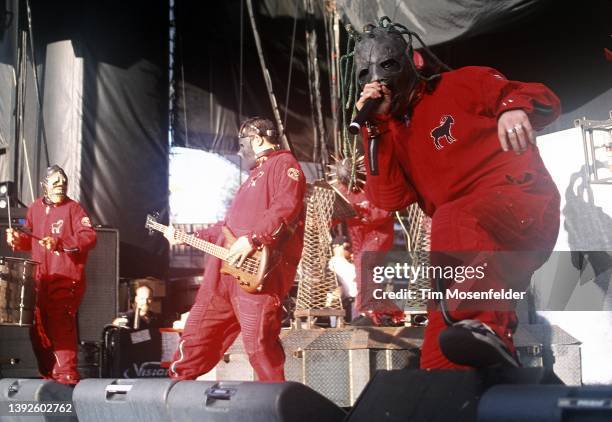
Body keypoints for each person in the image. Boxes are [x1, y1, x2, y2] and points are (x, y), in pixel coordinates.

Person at [353, 18, 561, 369]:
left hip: (523, 204)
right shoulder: (392, 131)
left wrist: (512, 106)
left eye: (388, 65)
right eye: (367, 72)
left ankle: (480, 324)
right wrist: (375, 128)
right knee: (441, 346)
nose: (378, 78)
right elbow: (388, 199)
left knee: (454, 219)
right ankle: (472, 375)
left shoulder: (462, 82)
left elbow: (548, 101)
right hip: (468, 242)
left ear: (413, 62)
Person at [164, 117, 306, 381]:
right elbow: (227, 228)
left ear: (258, 138)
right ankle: (174, 389)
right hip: (223, 274)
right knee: (198, 330)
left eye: (243, 144)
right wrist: (189, 236)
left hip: (257, 274)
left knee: (259, 344)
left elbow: (285, 207)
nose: (241, 151)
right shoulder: (253, 178)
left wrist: (253, 238)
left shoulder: (284, 165)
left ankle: (275, 404)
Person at [6, 165, 97, 384]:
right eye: (55, 182)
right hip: (40, 280)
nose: (61, 185)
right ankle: (49, 376)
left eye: (63, 181)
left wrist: (61, 243)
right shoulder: (35, 208)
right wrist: (18, 240)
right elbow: (30, 237)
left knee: (59, 324)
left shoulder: (73, 209)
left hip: (66, 279)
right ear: (44, 186)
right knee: (37, 330)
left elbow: (89, 237)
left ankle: (67, 378)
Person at [330, 159, 404, 326]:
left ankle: (370, 310)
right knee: (362, 272)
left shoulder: (373, 188)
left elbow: (385, 211)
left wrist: (363, 213)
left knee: (365, 264)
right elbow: (336, 215)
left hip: (378, 235)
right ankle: (386, 312)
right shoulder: (343, 191)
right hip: (358, 240)